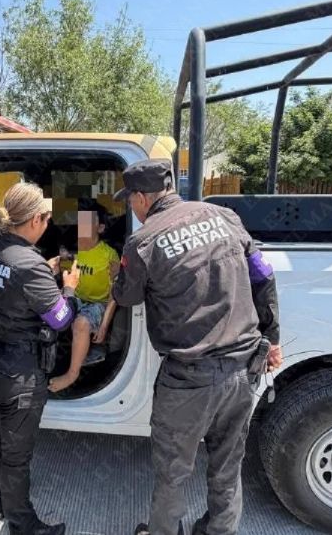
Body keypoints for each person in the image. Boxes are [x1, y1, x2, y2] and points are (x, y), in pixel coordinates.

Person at [111, 159, 282, 535]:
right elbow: (263, 275)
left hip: (190, 378)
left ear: (141, 197)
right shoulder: (224, 215)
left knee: (173, 471)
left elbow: (126, 296)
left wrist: (116, 273)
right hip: (243, 368)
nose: (132, 210)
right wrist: (273, 338)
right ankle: (219, 531)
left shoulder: (144, 240)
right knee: (227, 461)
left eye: (131, 201)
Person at [0, 182, 81, 535]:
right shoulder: (29, 265)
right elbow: (60, 319)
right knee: (17, 456)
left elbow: (8, 287)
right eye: (47, 217)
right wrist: (69, 288)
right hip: (20, 373)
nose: (48, 223)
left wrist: (42, 274)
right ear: (35, 219)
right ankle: (24, 525)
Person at [49, 204, 120, 392]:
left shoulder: (109, 256)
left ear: (101, 228)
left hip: (98, 303)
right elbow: (56, 270)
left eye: (90, 221)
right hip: (76, 298)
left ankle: (72, 374)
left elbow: (116, 292)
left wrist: (104, 325)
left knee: (81, 323)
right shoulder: (73, 250)